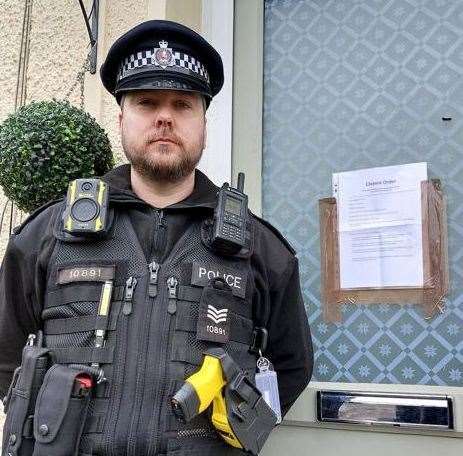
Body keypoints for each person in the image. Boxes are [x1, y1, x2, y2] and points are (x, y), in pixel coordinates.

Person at [0, 20, 313, 455]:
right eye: (147, 103)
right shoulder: (46, 236)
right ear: (122, 117)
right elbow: (6, 354)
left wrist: (244, 410)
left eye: (182, 105)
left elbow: (290, 366)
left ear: (204, 122)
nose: (165, 117)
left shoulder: (260, 250)